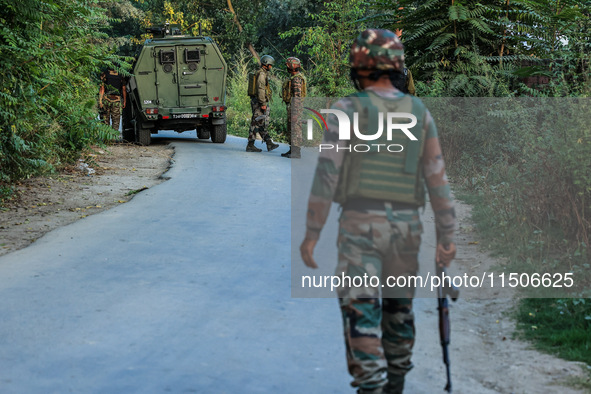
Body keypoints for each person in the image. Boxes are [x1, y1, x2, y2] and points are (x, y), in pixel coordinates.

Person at [299, 29, 456, 394]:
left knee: (362, 314)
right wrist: (447, 237)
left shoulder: (346, 110)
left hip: (359, 229)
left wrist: (312, 233)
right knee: (398, 313)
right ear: (396, 65)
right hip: (407, 231)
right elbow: (438, 182)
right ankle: (396, 385)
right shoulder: (419, 112)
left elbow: (326, 176)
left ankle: (372, 388)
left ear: (360, 65)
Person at [246, 55, 279, 152]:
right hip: (258, 102)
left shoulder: (262, 73)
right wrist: (263, 103)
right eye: (270, 65)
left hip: (258, 101)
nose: (271, 67)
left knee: (260, 122)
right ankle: (250, 145)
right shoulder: (262, 74)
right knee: (256, 122)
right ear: (266, 64)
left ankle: (269, 142)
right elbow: (261, 89)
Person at [281, 57, 306, 158]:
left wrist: (295, 112)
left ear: (292, 66)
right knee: (291, 129)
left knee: (295, 129)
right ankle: (292, 150)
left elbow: (297, 97)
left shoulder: (296, 79)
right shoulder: (294, 78)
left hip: (295, 108)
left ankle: (296, 152)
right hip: (293, 107)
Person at [99, 68, 127, 133]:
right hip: (116, 100)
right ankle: (113, 138)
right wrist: (124, 101)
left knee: (105, 120)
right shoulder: (121, 74)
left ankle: (107, 138)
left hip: (106, 99)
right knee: (116, 121)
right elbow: (124, 89)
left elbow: (102, 88)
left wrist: (100, 100)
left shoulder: (105, 73)